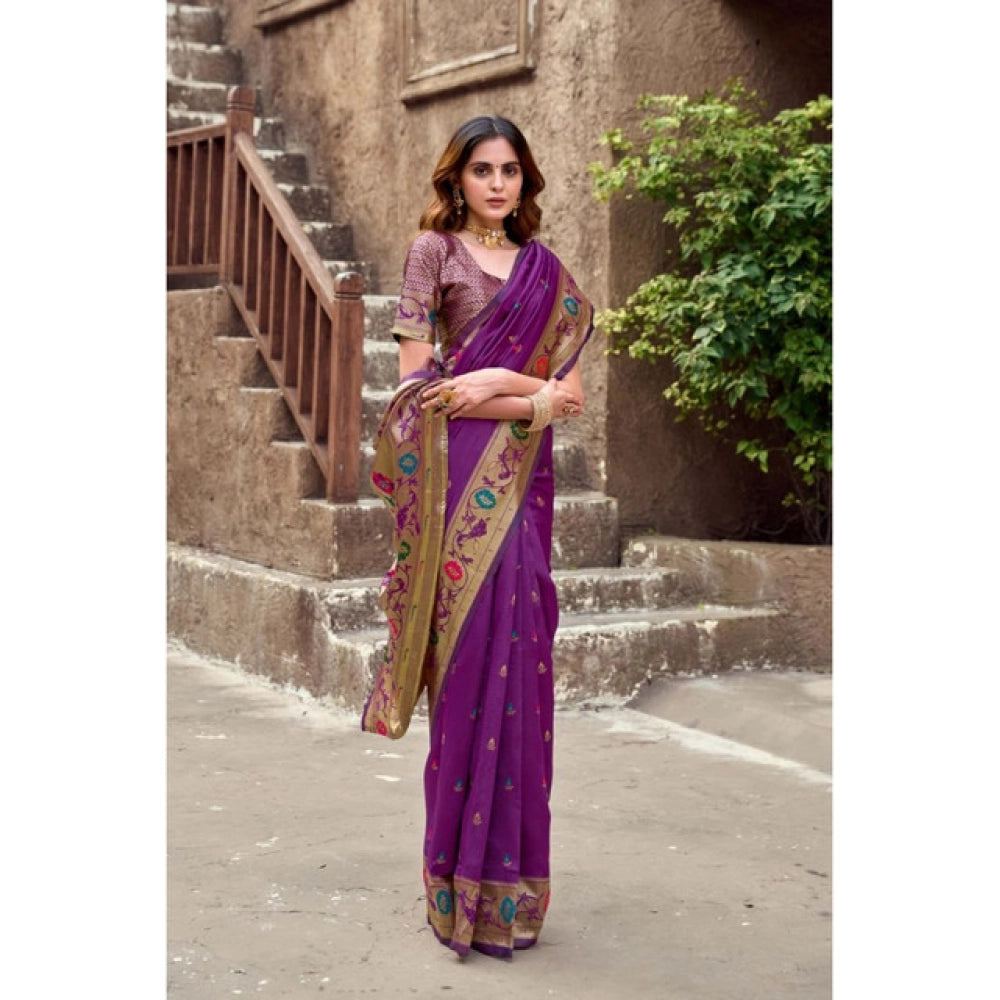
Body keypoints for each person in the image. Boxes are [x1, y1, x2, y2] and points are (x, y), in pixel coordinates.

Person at [361, 115, 594, 959]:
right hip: (458, 485)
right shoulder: (433, 254)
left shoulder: (547, 272)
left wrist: (493, 380)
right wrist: (526, 394)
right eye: (482, 170)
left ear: (526, 180)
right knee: (466, 676)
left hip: (522, 486)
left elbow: (571, 396)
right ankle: (454, 882)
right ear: (456, 179)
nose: (498, 184)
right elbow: (420, 390)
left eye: (510, 171)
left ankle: (510, 892)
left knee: (520, 667)